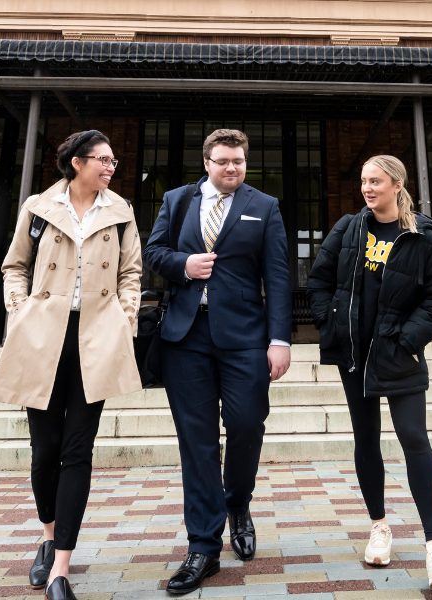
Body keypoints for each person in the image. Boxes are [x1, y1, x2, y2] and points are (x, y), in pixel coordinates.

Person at [0, 130, 142, 600]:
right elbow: (14, 265)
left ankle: (61, 567)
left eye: (114, 161)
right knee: (43, 453)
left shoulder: (120, 212)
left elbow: (130, 273)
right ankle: (49, 534)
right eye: (103, 160)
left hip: (94, 339)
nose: (111, 167)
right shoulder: (38, 207)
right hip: (42, 338)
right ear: (77, 163)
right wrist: (20, 309)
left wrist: (125, 318)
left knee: (78, 450)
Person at [143, 129, 292, 595]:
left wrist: (280, 339)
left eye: (240, 161)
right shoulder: (178, 200)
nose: (233, 168)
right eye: (224, 160)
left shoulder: (264, 206)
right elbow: (153, 252)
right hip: (185, 335)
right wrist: (183, 265)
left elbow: (279, 275)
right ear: (206, 161)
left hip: (246, 337)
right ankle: (203, 546)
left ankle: (238, 504)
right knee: (197, 441)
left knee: (247, 423)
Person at [307, 155, 432, 589]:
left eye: (375, 181)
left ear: (397, 184)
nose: (367, 189)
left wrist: (407, 341)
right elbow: (320, 280)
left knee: (413, 437)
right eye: (362, 182)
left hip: (398, 354)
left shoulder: (424, 237)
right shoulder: (349, 229)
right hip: (354, 353)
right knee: (366, 438)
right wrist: (331, 322)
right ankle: (379, 526)